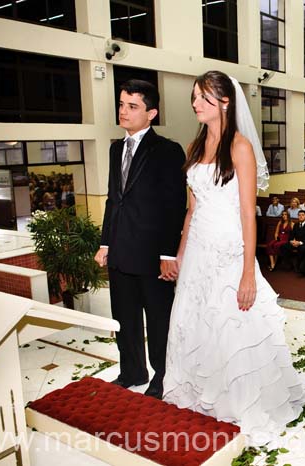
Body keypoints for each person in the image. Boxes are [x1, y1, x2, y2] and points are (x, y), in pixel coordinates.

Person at [162, 71, 305, 446]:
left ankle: (237, 404)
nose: (195, 103)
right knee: (192, 325)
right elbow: (190, 210)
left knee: (231, 329)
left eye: (202, 97)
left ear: (224, 102)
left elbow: (247, 213)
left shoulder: (239, 147)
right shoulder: (196, 147)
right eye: (194, 97)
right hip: (197, 252)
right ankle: (198, 400)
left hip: (229, 250)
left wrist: (247, 274)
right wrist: (178, 256)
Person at [95, 79, 187, 399]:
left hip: (152, 254)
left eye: (132, 106)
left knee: (158, 321)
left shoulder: (167, 151)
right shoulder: (114, 148)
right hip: (120, 251)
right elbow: (112, 199)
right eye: (121, 104)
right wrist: (105, 243)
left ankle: (162, 375)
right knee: (125, 318)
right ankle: (131, 370)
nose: (124, 111)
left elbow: (174, 204)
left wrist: (167, 253)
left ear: (151, 113)